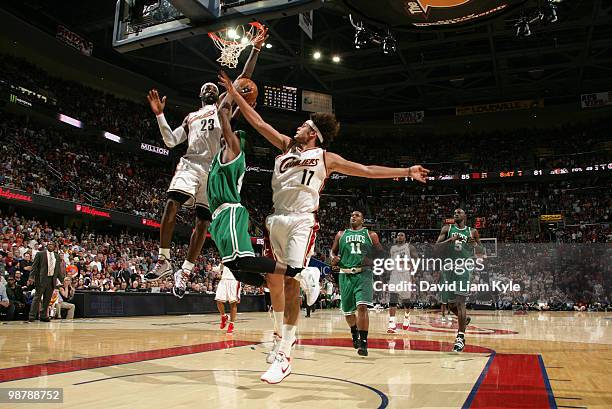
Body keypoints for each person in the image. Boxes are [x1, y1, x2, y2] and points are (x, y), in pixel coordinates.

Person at [219, 70, 430, 383]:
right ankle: (282, 330)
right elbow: (258, 122)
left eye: (304, 126)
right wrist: (235, 95)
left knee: (289, 283)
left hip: (301, 220)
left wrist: (406, 170)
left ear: (313, 134)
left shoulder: (325, 157)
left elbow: (367, 170)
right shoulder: (284, 145)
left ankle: (286, 354)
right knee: (274, 281)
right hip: (275, 218)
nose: (298, 127)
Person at [144, 27, 268, 285]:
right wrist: (159, 114)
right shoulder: (191, 117)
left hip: (213, 171)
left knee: (202, 223)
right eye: (207, 87)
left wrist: (255, 49)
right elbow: (169, 140)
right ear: (201, 95)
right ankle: (164, 259)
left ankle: (186, 271)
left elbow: (244, 77)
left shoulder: (223, 105)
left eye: (215, 87)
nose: (212, 88)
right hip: (191, 164)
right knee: (172, 203)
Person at [187, 102, 319, 321]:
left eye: (229, 137)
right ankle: (269, 282)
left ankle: (302, 273)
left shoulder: (235, 152)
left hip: (230, 211)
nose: (225, 138)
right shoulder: (218, 157)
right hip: (217, 217)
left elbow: (227, 130)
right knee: (236, 269)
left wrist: (227, 109)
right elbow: (223, 133)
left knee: (245, 260)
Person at [331, 211, 384, 356]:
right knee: (348, 313)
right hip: (345, 274)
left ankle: (364, 344)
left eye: (357, 215)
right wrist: (333, 258)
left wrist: (371, 259)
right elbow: (333, 252)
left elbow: (381, 252)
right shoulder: (341, 234)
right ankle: (354, 332)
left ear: (363, 220)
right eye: (352, 215)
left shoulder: (371, 235)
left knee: (362, 307)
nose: (353, 217)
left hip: (363, 274)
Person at [434, 208, 483, 352]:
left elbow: (482, 250)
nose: (456, 214)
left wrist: (472, 243)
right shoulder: (447, 228)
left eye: (459, 212)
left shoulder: (472, 231)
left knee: (461, 302)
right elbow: (436, 248)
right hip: (448, 268)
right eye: (454, 213)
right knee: (449, 304)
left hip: (463, 268)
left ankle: (460, 337)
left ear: (465, 216)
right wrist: (450, 240)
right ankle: (465, 321)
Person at [387, 232, 419, 333]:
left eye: (401, 235)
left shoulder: (409, 247)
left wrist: (413, 273)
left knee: (406, 301)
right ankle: (391, 324)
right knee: (393, 297)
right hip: (395, 274)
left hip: (406, 274)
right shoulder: (392, 248)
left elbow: (416, 260)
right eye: (398, 235)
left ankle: (407, 316)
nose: (399, 237)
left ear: (405, 238)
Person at [28, 241, 64, 322]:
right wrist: (31, 277)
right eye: (49, 244)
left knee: (47, 299)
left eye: (52, 245)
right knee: (37, 298)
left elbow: (57, 270)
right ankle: (32, 315)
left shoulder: (57, 256)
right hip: (41, 279)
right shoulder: (40, 254)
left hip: (51, 279)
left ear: (54, 247)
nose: (50, 246)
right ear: (47, 246)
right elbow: (34, 267)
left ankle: (44, 315)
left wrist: (61, 280)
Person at [214, 263, 239, 335]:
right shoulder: (225, 257)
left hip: (234, 280)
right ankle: (224, 316)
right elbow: (219, 268)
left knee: (233, 303)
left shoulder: (239, 256)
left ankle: (231, 325)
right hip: (223, 280)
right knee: (218, 300)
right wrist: (212, 269)